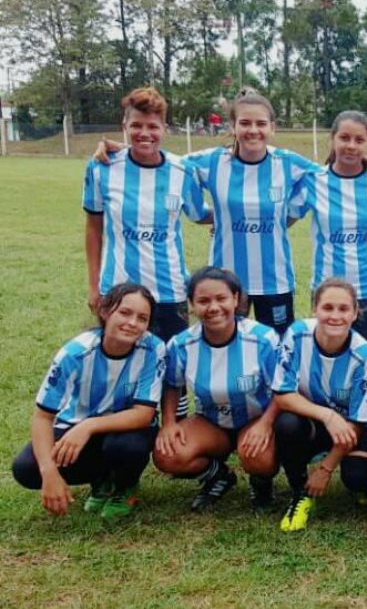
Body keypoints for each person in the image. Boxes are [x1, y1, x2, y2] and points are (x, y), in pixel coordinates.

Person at [97, 88, 317, 335]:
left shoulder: (288, 162)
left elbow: (328, 176)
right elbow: (164, 162)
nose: (253, 130)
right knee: (225, 344)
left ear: (272, 128)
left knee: (277, 345)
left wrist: (287, 217)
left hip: (275, 279)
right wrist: (125, 149)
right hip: (225, 280)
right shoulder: (212, 161)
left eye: (261, 123)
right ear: (233, 126)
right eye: (245, 123)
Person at [12, 283, 165, 519]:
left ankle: (125, 486)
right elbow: (42, 417)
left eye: (142, 318)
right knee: (26, 468)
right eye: (125, 313)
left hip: (126, 429)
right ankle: (101, 479)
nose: (132, 323)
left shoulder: (153, 349)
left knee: (127, 447)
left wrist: (88, 426)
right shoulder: (74, 354)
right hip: (76, 424)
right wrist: (49, 471)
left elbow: (143, 414)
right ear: (105, 312)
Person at [84, 87, 211, 357]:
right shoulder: (101, 167)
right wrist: (94, 287)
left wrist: (236, 215)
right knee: (119, 363)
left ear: (164, 128)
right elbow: (93, 228)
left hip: (169, 291)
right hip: (118, 289)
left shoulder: (182, 171)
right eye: (136, 125)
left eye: (152, 126)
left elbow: (199, 214)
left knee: (172, 368)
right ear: (125, 126)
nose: (145, 133)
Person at [154, 267, 283, 511]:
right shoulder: (181, 345)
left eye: (221, 298)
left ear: (235, 299)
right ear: (191, 304)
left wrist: (266, 424)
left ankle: (261, 483)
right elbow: (172, 385)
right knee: (167, 455)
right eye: (203, 301)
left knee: (259, 457)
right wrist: (168, 423)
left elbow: (282, 388)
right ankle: (218, 475)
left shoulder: (263, 339)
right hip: (211, 422)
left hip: (255, 418)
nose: (213, 307)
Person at [271, 279, 367, 532]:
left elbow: (358, 421)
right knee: (287, 424)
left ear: (355, 313)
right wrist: (328, 416)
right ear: (314, 309)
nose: (335, 316)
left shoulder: (364, 356)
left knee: (358, 477)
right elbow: (282, 394)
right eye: (327, 307)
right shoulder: (297, 334)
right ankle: (300, 492)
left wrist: (326, 469)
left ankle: (361, 482)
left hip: (350, 430)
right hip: (315, 423)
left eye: (343, 309)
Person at [291, 111, 367, 344]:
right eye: (344, 138)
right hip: (328, 289)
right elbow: (281, 219)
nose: (351, 146)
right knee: (329, 354)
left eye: (359, 140)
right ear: (333, 139)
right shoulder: (313, 181)